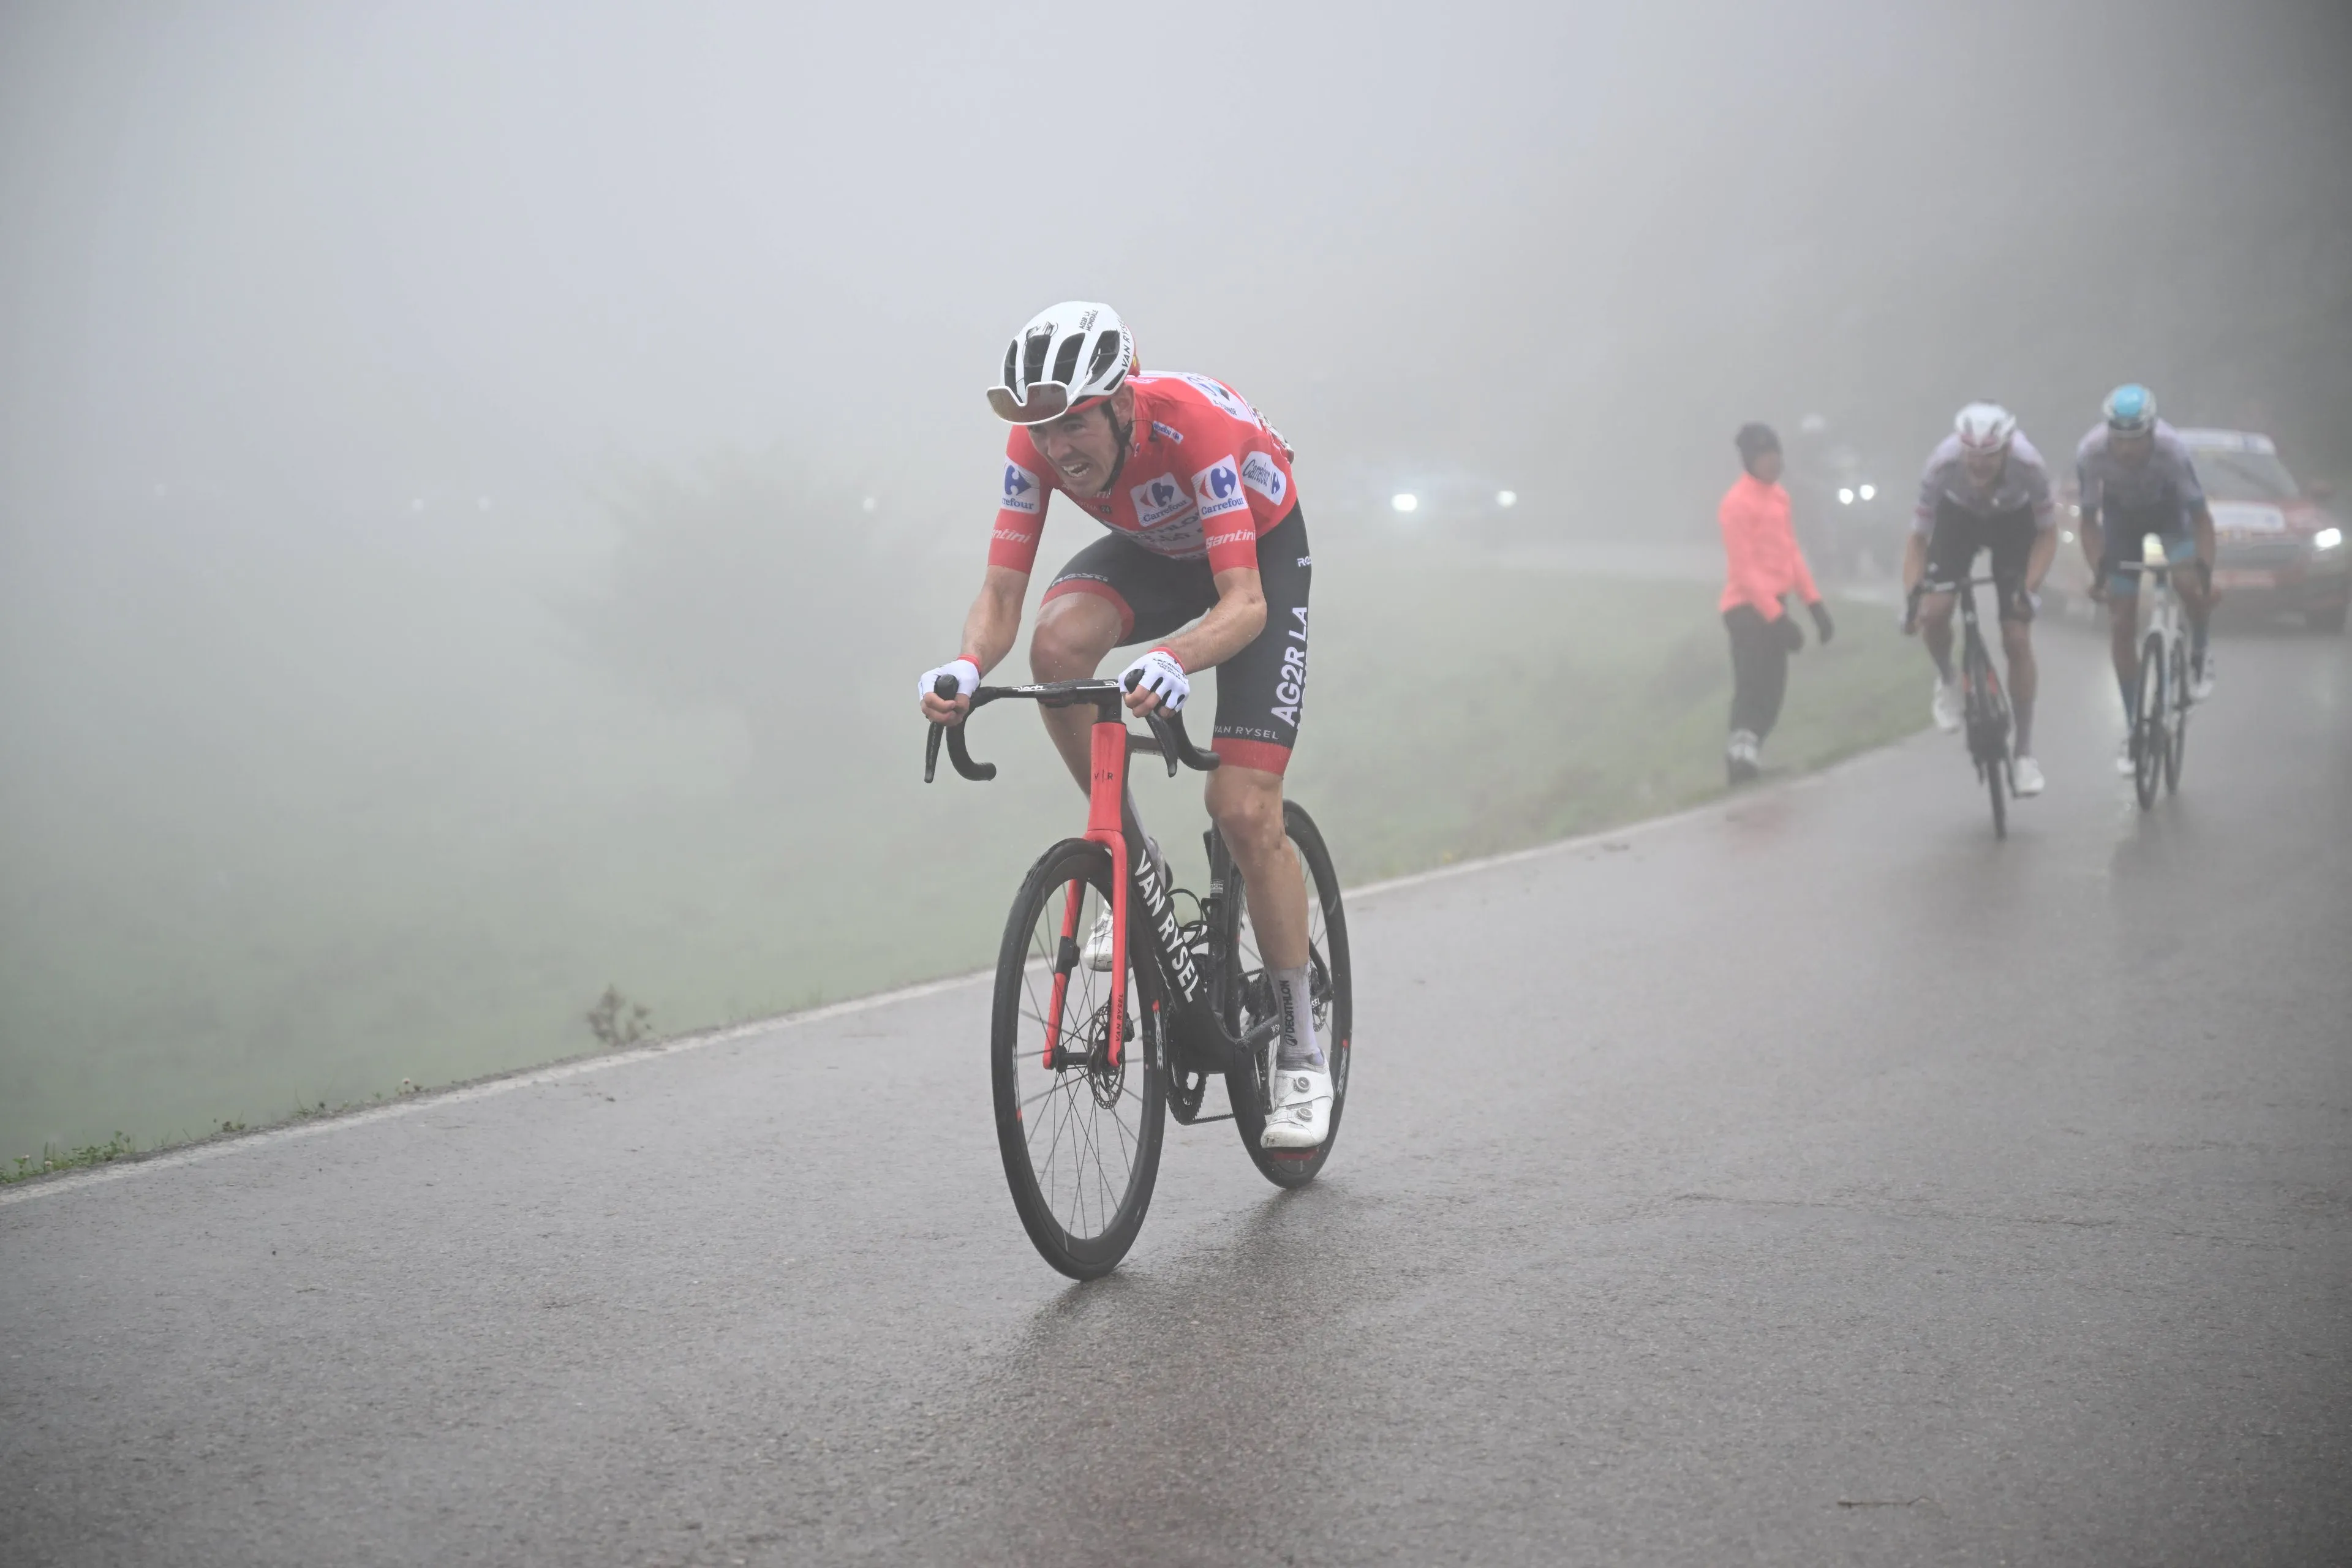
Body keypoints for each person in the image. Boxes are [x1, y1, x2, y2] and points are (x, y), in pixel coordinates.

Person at [915, 301, 1331, 1149]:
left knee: (1244, 810)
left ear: (1123, 402)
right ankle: (1131, 856)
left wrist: (1178, 658)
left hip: (1253, 559)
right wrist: (965, 666)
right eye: (1042, 428)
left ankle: (1300, 1045)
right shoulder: (1033, 446)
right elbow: (1002, 596)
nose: (1057, 447)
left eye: (1074, 423)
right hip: (1153, 554)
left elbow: (1243, 605)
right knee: (1057, 649)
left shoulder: (1195, 432)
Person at [1901, 402, 2057, 797]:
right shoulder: (1941, 466)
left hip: (2014, 522)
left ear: (2006, 450)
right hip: (1959, 519)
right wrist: (1913, 596)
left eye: (1989, 457)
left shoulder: (2030, 467)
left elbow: (2047, 535)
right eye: (1972, 456)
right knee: (1935, 612)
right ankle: (1949, 679)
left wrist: (2029, 589)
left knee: (2017, 638)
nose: (1980, 465)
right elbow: (1918, 539)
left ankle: (2024, 755)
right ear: (1960, 448)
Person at [2075, 384, 2217, 774]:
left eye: (2134, 440)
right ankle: (2135, 727)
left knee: (2189, 585)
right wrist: (2100, 569)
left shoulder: (2172, 451)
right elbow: (2088, 522)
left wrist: (2204, 570)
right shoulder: (2090, 452)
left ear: (2151, 431)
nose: (2125, 450)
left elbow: (2202, 519)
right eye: (2118, 440)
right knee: (2121, 623)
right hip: (2122, 520)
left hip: (2171, 514)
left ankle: (2201, 653)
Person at [1717, 423, 1833, 783]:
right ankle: (1739, 754)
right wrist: (1777, 619)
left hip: (1774, 603)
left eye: (1776, 455)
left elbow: (1791, 555)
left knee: (1774, 688)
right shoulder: (1735, 504)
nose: (1772, 463)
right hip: (1745, 608)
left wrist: (1815, 606)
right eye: (1764, 457)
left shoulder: (1781, 498)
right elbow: (1744, 570)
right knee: (1753, 682)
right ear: (1749, 461)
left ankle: (1749, 750)